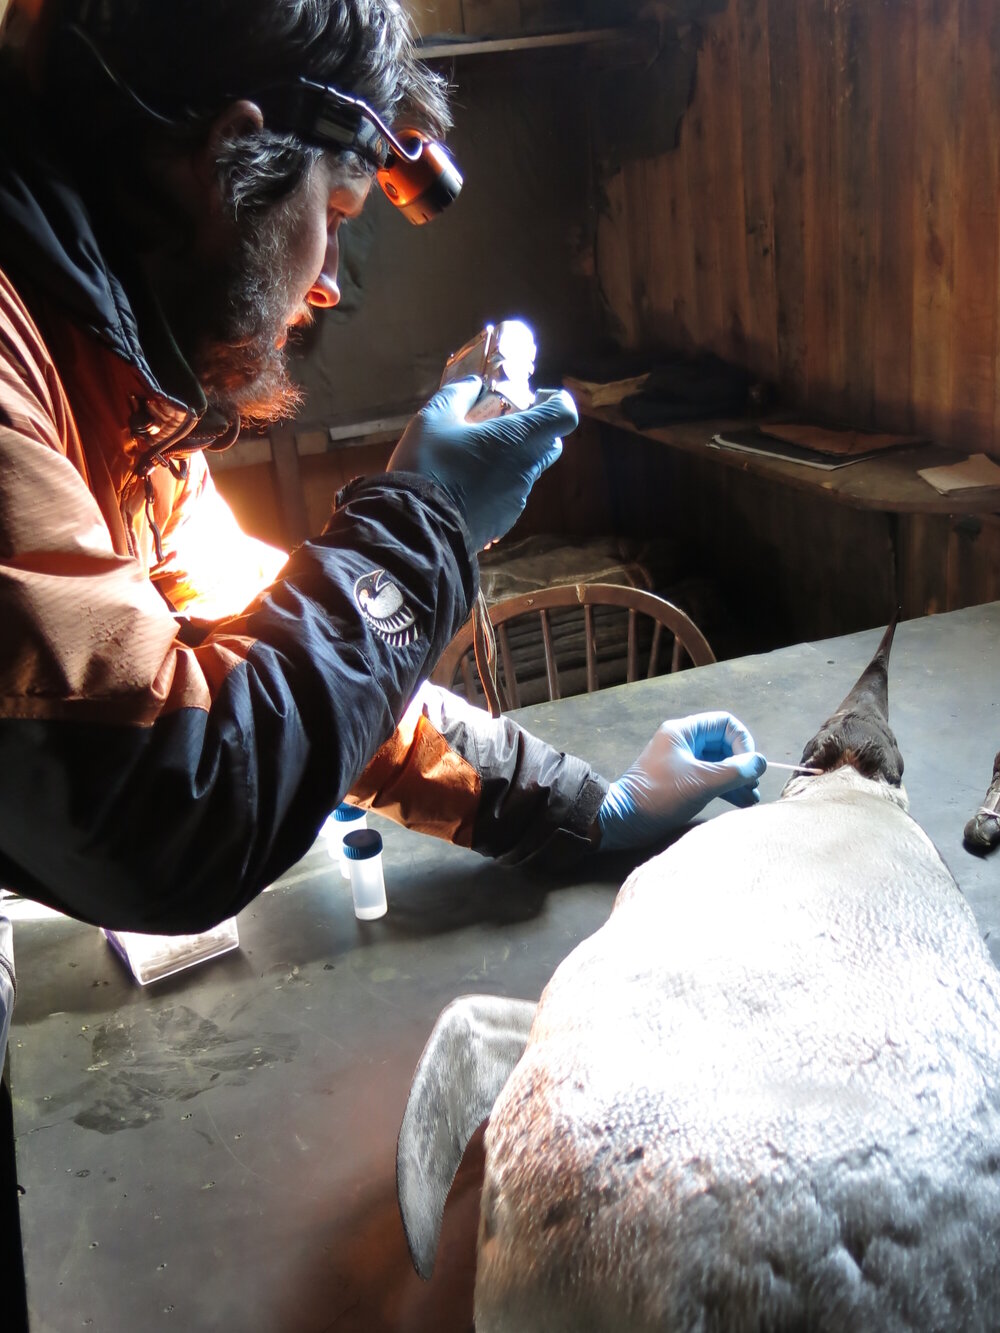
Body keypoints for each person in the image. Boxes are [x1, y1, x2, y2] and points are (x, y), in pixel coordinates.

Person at [0, 0, 766, 934]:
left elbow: (292, 662)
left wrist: (575, 808)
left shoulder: (118, 392)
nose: (326, 282)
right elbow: (165, 805)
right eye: (335, 211)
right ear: (228, 162)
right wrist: (425, 515)